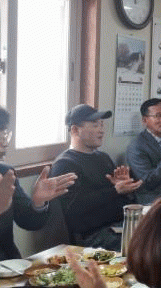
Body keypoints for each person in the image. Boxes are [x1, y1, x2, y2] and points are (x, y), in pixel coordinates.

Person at [0, 104, 76, 262]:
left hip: (8, 266)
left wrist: (38, 202)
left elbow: (29, 222)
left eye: (5, 135)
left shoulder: (4, 172)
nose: (5, 143)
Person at [51, 105, 141, 251]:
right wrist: (115, 191)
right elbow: (74, 210)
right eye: (95, 125)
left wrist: (126, 189)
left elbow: (121, 201)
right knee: (149, 246)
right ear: (75, 130)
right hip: (91, 237)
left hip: (118, 226)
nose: (101, 130)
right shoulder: (64, 164)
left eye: (101, 125)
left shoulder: (103, 157)